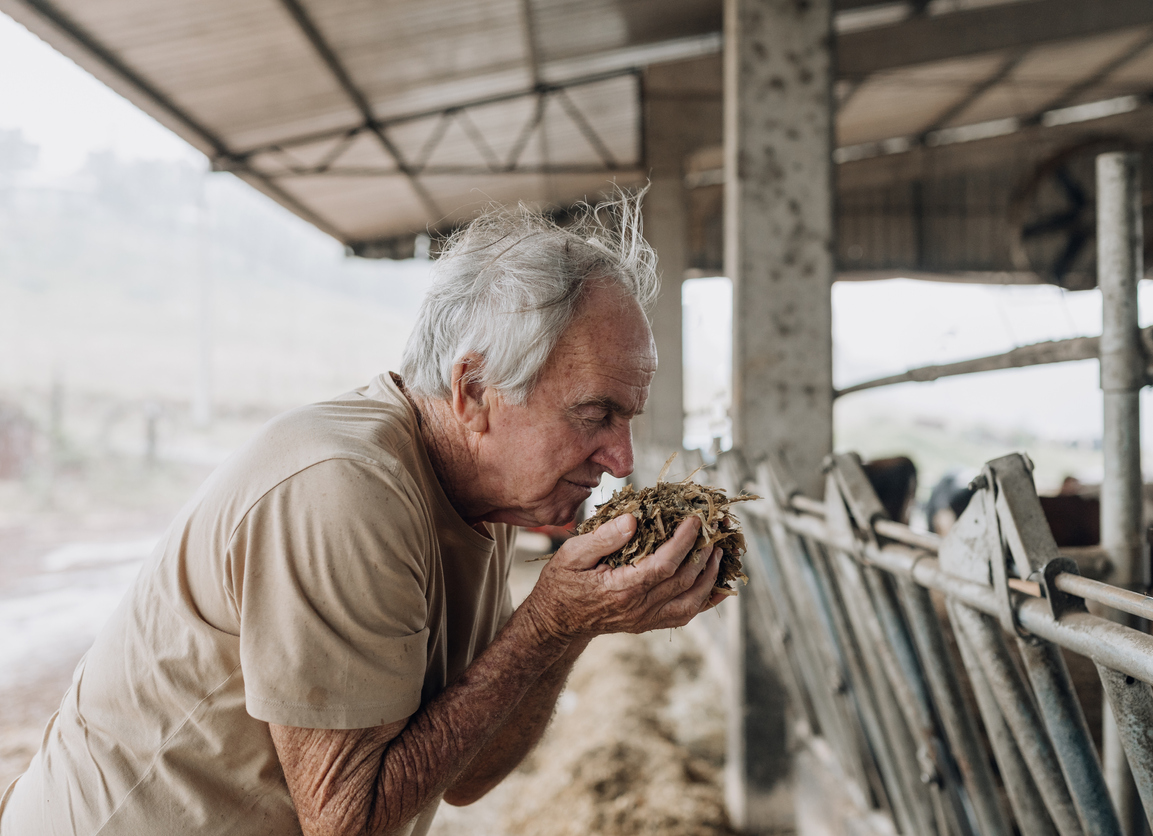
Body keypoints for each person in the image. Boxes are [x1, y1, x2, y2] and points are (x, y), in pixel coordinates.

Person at [0, 192, 728, 836]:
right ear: (473, 390)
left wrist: (573, 625)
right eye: (595, 413)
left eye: (627, 417)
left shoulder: (486, 498)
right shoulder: (345, 487)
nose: (623, 459)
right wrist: (546, 625)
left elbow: (468, 775)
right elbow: (347, 822)